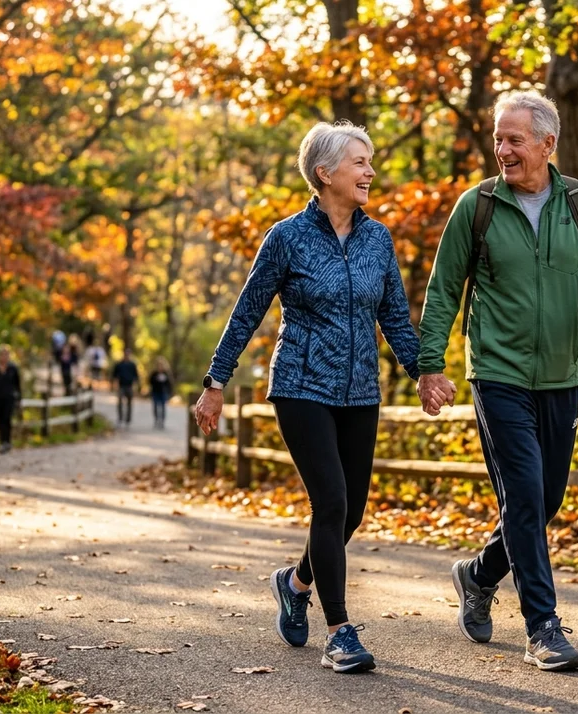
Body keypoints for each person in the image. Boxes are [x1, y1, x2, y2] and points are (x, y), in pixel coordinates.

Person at [194, 120, 430, 674]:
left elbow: (394, 315)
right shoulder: (287, 237)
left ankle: (296, 582)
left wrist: (423, 371)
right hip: (301, 384)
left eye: (370, 162)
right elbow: (248, 310)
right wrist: (215, 382)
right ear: (325, 174)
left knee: (350, 513)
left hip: (359, 390)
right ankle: (340, 632)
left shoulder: (377, 239)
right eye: (359, 162)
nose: (370, 171)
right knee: (330, 502)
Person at [416, 90, 578, 672]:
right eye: (498, 138)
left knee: (545, 500)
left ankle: (478, 574)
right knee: (526, 495)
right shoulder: (478, 206)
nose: (502, 149)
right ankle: (544, 626)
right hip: (498, 371)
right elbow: (443, 291)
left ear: (546, 144)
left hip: (562, 374)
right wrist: (429, 364)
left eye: (514, 139)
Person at [0, 345, 22, 454]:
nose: (4, 357)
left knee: (7, 419)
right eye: (2, 354)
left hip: (10, 398)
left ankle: (8, 441)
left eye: (6, 354)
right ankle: (2, 441)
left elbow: (18, 385)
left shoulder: (13, 368)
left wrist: (20, 399)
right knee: (0, 420)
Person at [111, 349, 140, 426]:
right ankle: (120, 418)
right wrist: (114, 385)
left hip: (129, 386)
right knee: (120, 402)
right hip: (121, 386)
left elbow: (136, 376)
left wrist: (136, 386)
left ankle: (128, 419)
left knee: (129, 403)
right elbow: (114, 375)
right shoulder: (119, 364)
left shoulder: (132, 365)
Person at [148, 356, 174, 429]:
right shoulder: (154, 373)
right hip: (155, 392)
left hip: (163, 392)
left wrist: (170, 393)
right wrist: (156, 379)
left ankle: (162, 421)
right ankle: (156, 419)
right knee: (156, 406)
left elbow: (169, 384)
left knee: (163, 407)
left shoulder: (166, 374)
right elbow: (150, 382)